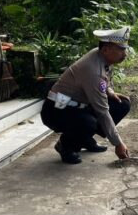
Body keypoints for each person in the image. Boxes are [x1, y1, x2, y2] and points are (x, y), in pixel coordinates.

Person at [41, 26, 132, 164]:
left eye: (125, 49)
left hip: (79, 105)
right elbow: (102, 111)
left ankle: (85, 139)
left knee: (122, 104)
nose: (125, 54)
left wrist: (110, 91)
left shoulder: (100, 56)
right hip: (57, 110)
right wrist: (118, 143)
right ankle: (65, 145)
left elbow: (104, 80)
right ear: (106, 49)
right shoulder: (93, 70)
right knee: (88, 123)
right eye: (121, 49)